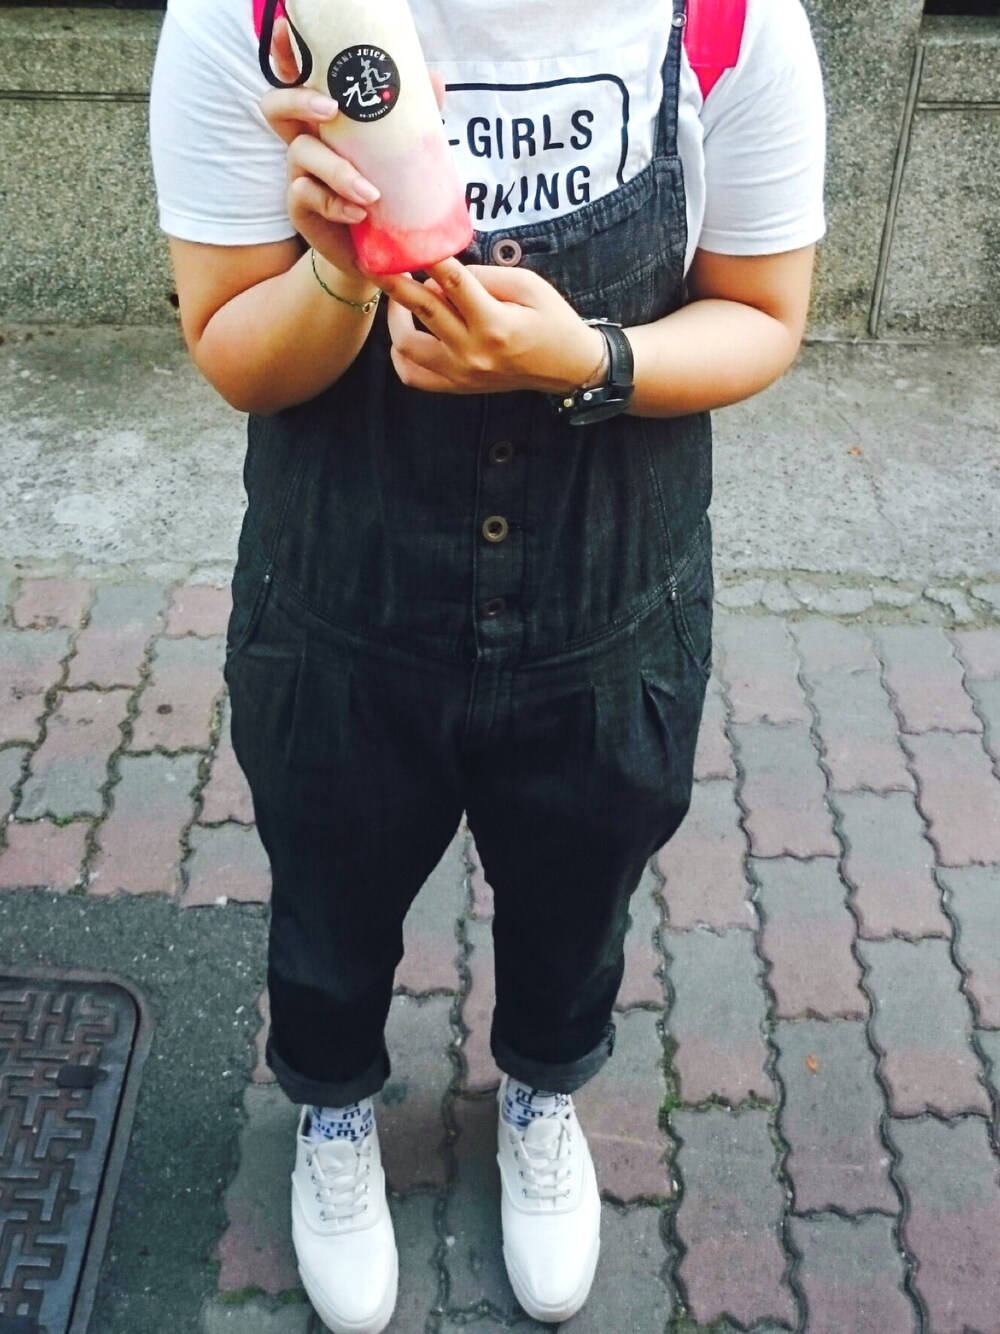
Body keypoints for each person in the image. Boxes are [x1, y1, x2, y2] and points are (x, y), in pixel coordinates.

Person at [149, 0, 825, 1327]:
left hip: (606, 601)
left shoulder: (728, 22)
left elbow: (762, 311)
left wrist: (586, 360)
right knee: (330, 907)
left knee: (577, 902)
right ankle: (334, 1110)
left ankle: (539, 1092)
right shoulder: (262, 19)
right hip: (346, 604)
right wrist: (341, 273)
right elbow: (234, 349)